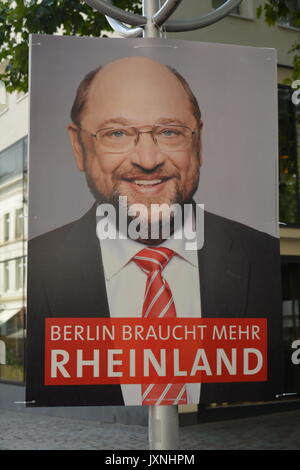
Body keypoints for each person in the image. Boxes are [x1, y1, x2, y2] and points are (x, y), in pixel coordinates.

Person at [26, 56, 283, 407]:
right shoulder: (36, 267)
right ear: (79, 147)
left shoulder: (264, 259)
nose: (147, 160)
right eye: (117, 133)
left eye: (169, 132)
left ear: (199, 143)